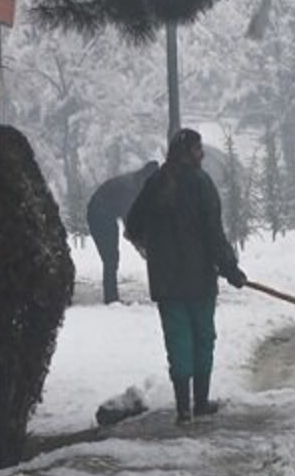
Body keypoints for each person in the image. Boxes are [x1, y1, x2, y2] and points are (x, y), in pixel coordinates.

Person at [125, 129, 247, 425]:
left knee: (178, 341)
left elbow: (132, 224)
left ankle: (183, 408)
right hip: (200, 280)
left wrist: (151, 248)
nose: (202, 154)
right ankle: (200, 402)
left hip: (167, 282)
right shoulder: (201, 184)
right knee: (203, 338)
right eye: (198, 149)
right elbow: (213, 234)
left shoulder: (155, 183)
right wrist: (230, 268)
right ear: (190, 152)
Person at [86, 160, 159, 303]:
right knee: (110, 257)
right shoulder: (129, 189)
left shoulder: (137, 184)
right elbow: (131, 223)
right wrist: (142, 247)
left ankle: (111, 296)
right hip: (98, 215)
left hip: (107, 214)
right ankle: (111, 299)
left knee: (112, 257)